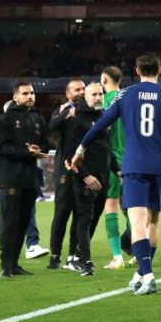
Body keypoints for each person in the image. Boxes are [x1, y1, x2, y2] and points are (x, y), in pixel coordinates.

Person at [72, 52, 161, 296]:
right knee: (153, 221)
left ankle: (147, 275)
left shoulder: (124, 95)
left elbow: (100, 124)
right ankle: (140, 273)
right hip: (160, 165)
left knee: (137, 221)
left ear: (137, 71)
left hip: (134, 164)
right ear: (160, 69)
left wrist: (81, 149)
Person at [0, 80, 50, 278]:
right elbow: (0, 148)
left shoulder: (38, 119)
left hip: (29, 179)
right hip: (11, 179)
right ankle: (5, 266)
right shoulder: (5, 119)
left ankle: (15, 264)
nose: (30, 97)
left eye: (32, 93)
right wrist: (27, 153)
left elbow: (45, 142)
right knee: (10, 223)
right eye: (25, 93)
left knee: (23, 221)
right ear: (15, 97)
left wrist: (39, 150)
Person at [62, 82, 110, 277]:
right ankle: (85, 261)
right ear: (85, 98)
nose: (98, 98)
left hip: (103, 179)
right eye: (94, 95)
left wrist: (118, 170)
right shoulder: (78, 121)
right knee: (84, 219)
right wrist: (86, 176)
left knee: (94, 219)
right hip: (85, 180)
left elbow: (106, 150)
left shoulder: (104, 118)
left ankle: (78, 255)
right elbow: (69, 154)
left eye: (100, 94)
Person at [0, 100, 45, 261]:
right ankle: (5, 247)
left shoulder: (28, 127)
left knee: (29, 210)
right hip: (6, 178)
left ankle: (32, 245)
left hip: (26, 177)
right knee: (7, 216)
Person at [47, 77, 85, 271]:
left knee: (80, 215)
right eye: (76, 90)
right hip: (65, 169)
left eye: (82, 89)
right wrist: (65, 115)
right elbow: (51, 127)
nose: (80, 92)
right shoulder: (63, 110)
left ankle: (73, 256)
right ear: (68, 94)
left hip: (84, 170)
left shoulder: (87, 111)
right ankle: (55, 256)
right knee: (62, 213)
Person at [98, 66, 128, 270]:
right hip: (133, 158)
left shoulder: (107, 100)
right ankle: (140, 251)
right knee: (134, 208)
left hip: (112, 159)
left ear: (103, 79)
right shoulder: (129, 99)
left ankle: (117, 256)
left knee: (111, 205)